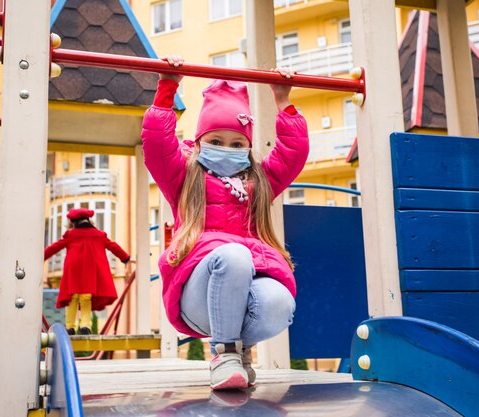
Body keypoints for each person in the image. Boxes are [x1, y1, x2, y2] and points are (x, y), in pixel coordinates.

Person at [142, 56, 309, 390]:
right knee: (233, 255)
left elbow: (293, 153)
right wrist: (167, 87)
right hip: (197, 295)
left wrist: (283, 101)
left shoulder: (258, 182)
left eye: (236, 144)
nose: (225, 149)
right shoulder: (185, 176)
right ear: (200, 142)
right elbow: (157, 145)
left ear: (248, 148)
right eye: (215, 142)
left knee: (279, 301)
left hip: (241, 293)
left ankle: (238, 348)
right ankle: (225, 352)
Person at [44, 208, 131, 335]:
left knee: (72, 298)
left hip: (73, 269)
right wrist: (126, 258)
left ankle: (70, 327)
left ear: (73, 222)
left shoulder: (70, 235)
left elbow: (54, 247)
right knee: (85, 297)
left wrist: (40, 257)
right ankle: (85, 325)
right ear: (89, 220)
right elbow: (113, 246)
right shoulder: (99, 235)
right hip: (90, 270)